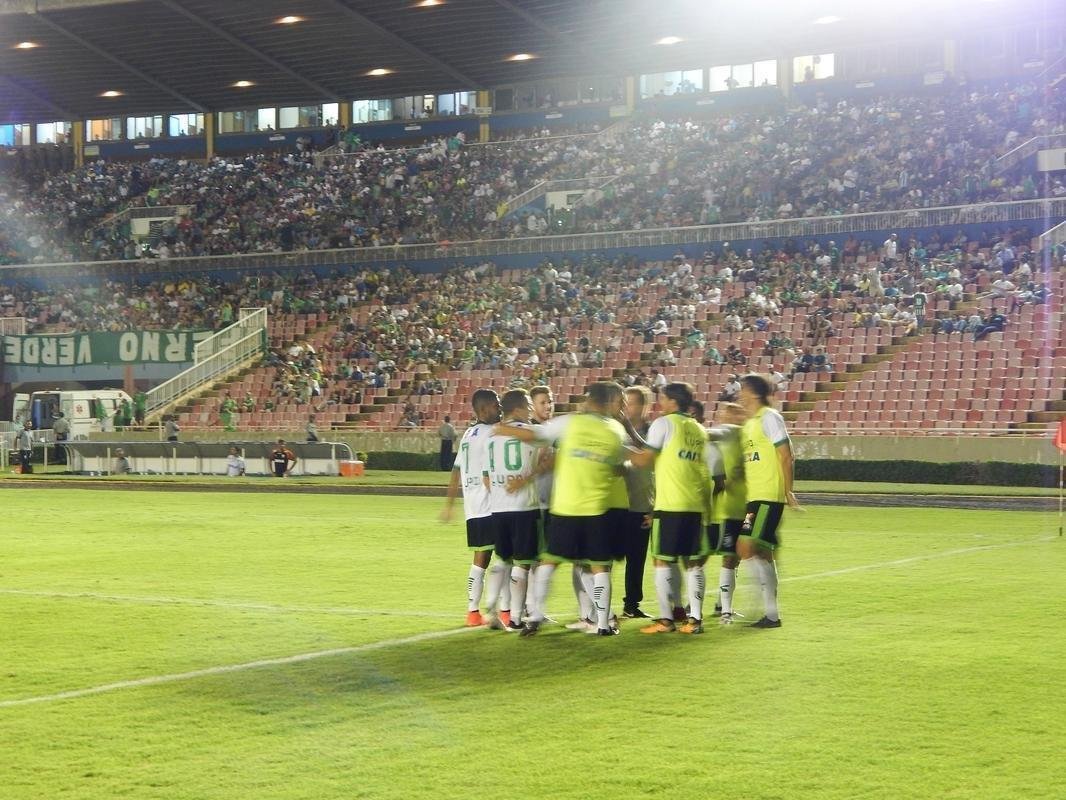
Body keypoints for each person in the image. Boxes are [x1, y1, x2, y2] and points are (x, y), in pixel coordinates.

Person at [497, 381, 630, 637]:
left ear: (591, 400)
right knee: (599, 567)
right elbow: (619, 466)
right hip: (597, 509)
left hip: (566, 508)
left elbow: (536, 435)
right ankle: (603, 624)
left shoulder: (570, 423)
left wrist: (502, 428)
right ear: (608, 403)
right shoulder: (616, 430)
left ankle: (535, 616)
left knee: (548, 562)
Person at [628, 382, 713, 635]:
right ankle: (695, 620)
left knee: (662, 561)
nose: (660, 403)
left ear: (673, 401)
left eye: (663, 398)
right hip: (694, 505)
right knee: (693, 563)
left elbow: (645, 460)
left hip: (670, 504)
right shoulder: (699, 429)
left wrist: (617, 449)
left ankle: (666, 620)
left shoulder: (663, 424)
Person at [738, 373, 801, 628]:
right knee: (763, 552)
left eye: (743, 390)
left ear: (754, 392)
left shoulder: (769, 417)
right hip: (755, 495)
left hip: (767, 495)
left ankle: (760, 606)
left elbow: (786, 455)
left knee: (746, 547)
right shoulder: (750, 424)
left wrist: (788, 491)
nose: (740, 395)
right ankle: (771, 615)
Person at [440, 388, 503, 627]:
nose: (500, 408)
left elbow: (456, 472)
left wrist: (449, 505)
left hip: (473, 509)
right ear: (484, 409)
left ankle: (473, 612)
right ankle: (505, 612)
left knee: (480, 560)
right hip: (491, 506)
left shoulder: (468, 434)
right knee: (507, 558)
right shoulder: (493, 433)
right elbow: (489, 473)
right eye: (496, 404)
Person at [487, 389, 543, 631]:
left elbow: (486, 477)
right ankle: (517, 618)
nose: (531, 410)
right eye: (528, 405)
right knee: (523, 563)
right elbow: (548, 458)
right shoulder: (530, 433)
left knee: (503, 559)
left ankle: (491, 607)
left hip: (498, 506)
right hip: (524, 506)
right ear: (518, 408)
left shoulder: (492, 435)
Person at [706, 402, 748, 624]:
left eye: (739, 412)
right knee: (728, 557)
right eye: (732, 413)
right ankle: (724, 610)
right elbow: (709, 434)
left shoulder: (745, 436)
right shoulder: (728, 431)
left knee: (735, 558)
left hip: (743, 506)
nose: (738, 416)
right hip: (728, 509)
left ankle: (721, 605)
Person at [620, 386, 654, 619]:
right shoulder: (614, 430)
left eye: (632, 403)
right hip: (617, 503)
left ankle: (631, 604)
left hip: (642, 503)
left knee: (636, 558)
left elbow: (647, 453)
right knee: (603, 557)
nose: (627, 408)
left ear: (644, 406)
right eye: (625, 403)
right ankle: (593, 609)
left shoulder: (652, 432)